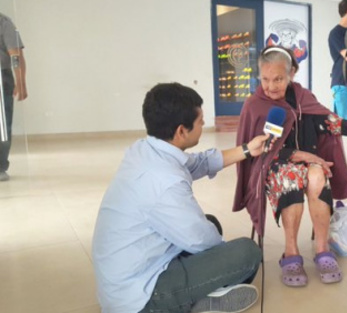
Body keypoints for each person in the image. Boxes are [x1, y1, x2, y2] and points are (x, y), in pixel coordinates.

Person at [92, 83, 268, 313]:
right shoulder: (165, 182)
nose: (204, 124)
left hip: (125, 275)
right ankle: (190, 304)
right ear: (181, 131)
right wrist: (223, 259)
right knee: (246, 253)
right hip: (139, 297)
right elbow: (201, 240)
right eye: (200, 121)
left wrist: (246, 149)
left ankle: (202, 294)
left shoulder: (145, 149)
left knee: (211, 222)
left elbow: (199, 163)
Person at [234, 46, 347, 287]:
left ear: (291, 75)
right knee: (291, 176)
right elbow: (259, 150)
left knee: (318, 175)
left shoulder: (303, 97)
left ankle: (322, 250)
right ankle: (291, 253)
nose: (271, 86)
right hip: (273, 165)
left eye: (278, 79)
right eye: (265, 79)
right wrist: (302, 155)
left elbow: (332, 123)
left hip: (308, 163)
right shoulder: (254, 105)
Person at [0, 12, 27, 182]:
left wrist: (21, 82)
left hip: (1, 78)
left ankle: (0, 166)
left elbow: (16, 55)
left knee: (2, 126)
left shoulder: (4, 23)